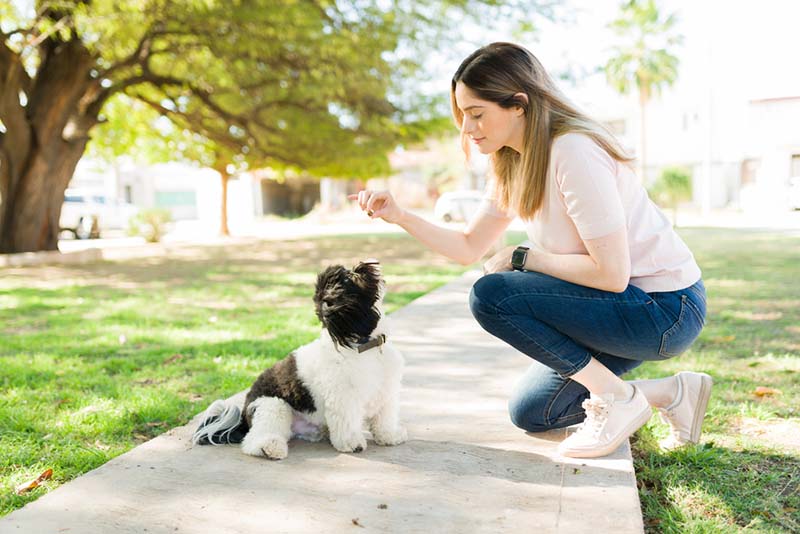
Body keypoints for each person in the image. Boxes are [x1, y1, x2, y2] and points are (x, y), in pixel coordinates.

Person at [350, 42, 711, 459]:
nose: (467, 128)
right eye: (463, 116)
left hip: (664, 310)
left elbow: (611, 273)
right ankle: (671, 392)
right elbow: (469, 246)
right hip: (616, 306)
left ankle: (617, 399)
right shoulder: (511, 162)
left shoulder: (573, 150)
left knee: (492, 295)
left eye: (476, 114)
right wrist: (400, 214)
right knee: (534, 412)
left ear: (519, 104)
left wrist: (523, 257)